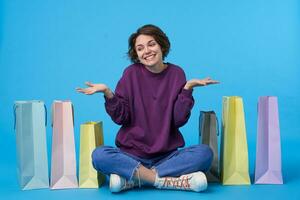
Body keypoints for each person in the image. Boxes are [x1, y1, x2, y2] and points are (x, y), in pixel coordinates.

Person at [76, 24, 219, 193]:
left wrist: (187, 89)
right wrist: (108, 93)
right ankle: (165, 181)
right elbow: (122, 118)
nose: (147, 51)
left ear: (161, 45)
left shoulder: (177, 74)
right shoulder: (130, 74)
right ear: (136, 54)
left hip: (167, 157)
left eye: (151, 44)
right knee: (99, 155)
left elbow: (178, 120)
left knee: (204, 153)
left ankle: (135, 180)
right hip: (131, 155)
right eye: (140, 48)